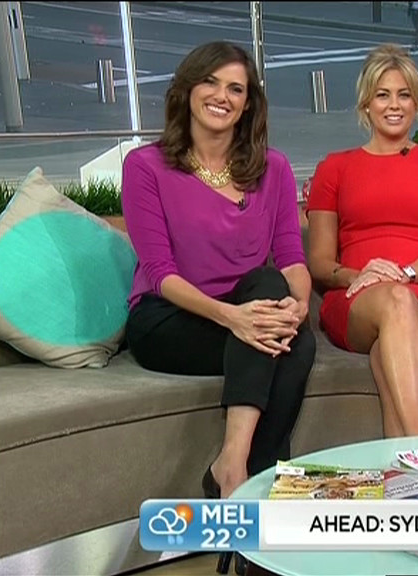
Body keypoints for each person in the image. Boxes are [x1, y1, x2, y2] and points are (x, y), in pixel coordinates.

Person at [122, 40, 314, 575]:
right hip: (168, 317)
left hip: (248, 309)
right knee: (281, 338)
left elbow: (292, 258)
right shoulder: (146, 166)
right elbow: (160, 273)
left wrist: (298, 307)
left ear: (248, 103)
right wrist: (234, 317)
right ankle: (251, 484)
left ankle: (234, 472)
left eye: (236, 88)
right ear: (187, 90)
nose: (222, 96)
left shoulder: (273, 169)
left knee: (283, 311)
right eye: (211, 82)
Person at [306, 44, 418, 438]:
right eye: (383, 95)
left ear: (417, 103)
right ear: (366, 103)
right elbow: (320, 262)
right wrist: (361, 275)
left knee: (389, 345)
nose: (394, 105)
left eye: (404, 95)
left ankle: (404, 462)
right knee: (396, 301)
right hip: (357, 296)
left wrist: (403, 274)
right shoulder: (335, 168)